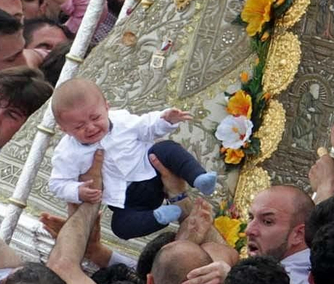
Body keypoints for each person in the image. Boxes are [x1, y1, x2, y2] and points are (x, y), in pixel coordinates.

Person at [47, 77, 215, 239]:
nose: (90, 127)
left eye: (95, 118)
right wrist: (77, 191)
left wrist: (165, 120)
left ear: (106, 107)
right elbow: (57, 183)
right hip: (126, 199)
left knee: (166, 149)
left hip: (151, 170)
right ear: (64, 130)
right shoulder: (66, 153)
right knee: (120, 226)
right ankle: (159, 217)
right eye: (79, 126)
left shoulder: (121, 120)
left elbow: (146, 127)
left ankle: (199, 177)